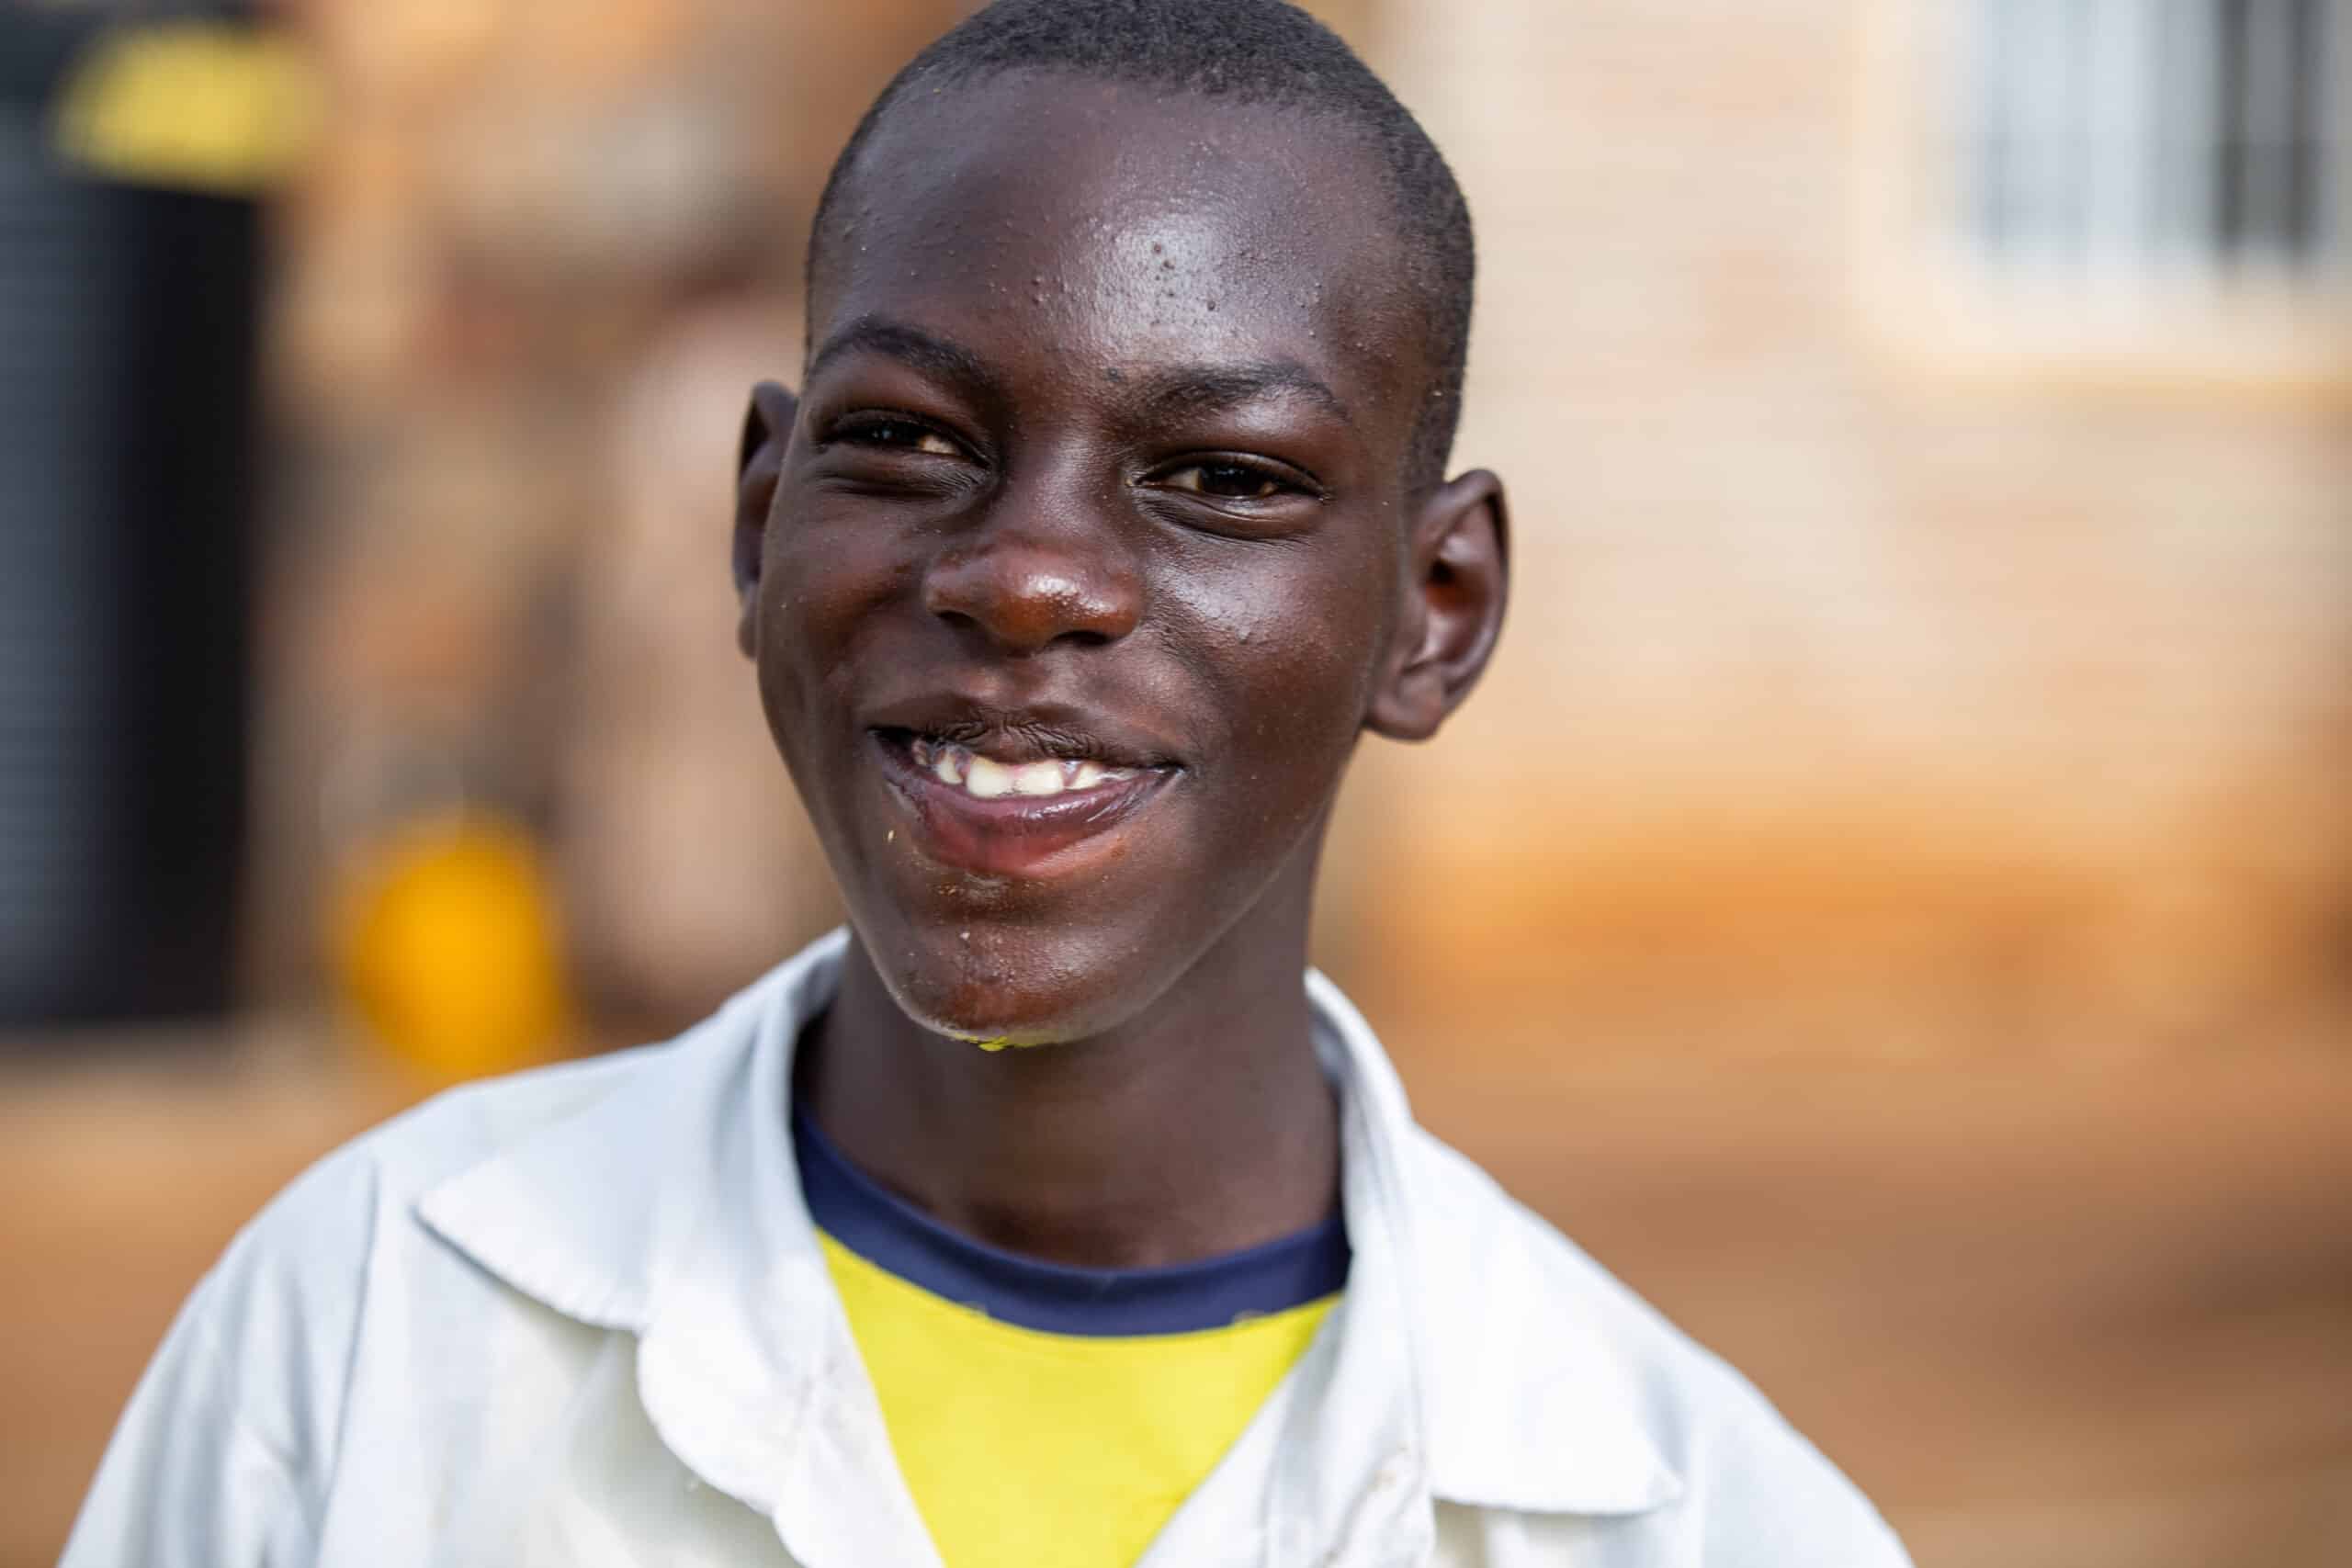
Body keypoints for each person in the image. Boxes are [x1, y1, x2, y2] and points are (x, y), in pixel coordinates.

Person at [64, 2, 1910, 1563]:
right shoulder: (374, 1322)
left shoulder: (1687, 1517)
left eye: (1224, 478)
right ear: (757, 515)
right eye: (907, 440)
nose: (1026, 574)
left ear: (1434, 611)